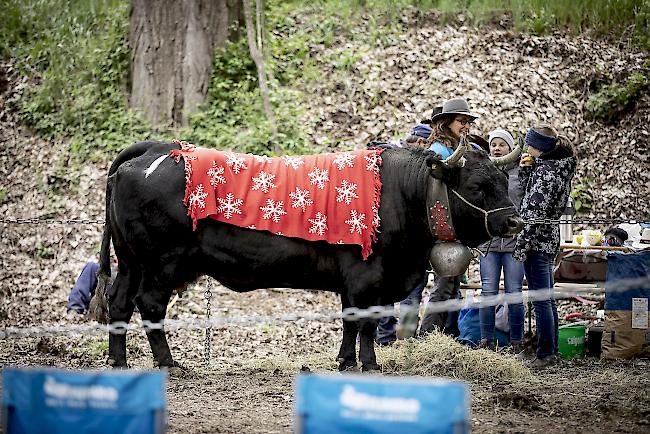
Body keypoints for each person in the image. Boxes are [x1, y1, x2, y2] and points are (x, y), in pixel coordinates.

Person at [513, 125, 577, 369]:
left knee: (541, 301)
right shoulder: (552, 169)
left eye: (529, 143)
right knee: (547, 299)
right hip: (549, 240)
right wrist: (526, 171)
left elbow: (533, 214)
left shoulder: (546, 174)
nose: (526, 147)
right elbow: (531, 196)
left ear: (537, 147)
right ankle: (551, 350)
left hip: (537, 243)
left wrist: (521, 246)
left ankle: (545, 354)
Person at [419, 98, 480, 336]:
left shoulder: (463, 147)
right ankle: (427, 338)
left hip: (457, 228)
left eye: (468, 122)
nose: (466, 126)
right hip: (441, 228)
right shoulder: (438, 150)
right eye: (461, 121)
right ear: (447, 122)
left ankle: (449, 337)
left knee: (454, 286)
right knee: (444, 286)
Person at [477, 128, 525, 352]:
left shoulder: (521, 173)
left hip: (514, 243)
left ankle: (517, 341)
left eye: (501, 144)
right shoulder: (483, 171)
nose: (496, 148)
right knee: (488, 291)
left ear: (510, 147)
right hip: (489, 243)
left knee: (514, 291)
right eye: (493, 144)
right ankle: (486, 340)